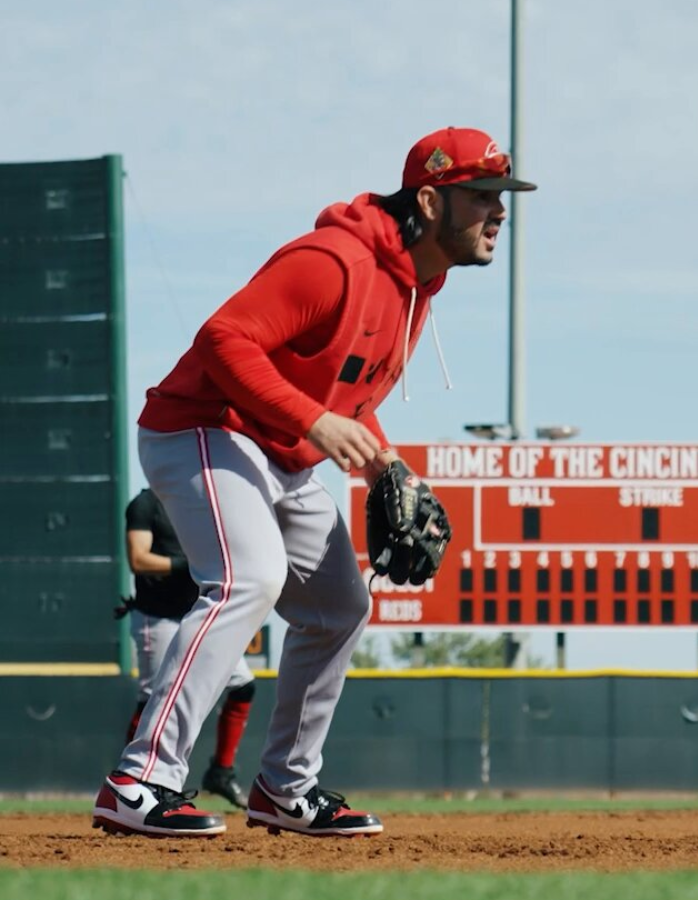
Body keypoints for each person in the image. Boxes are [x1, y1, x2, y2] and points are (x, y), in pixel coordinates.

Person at [91, 127, 536, 838]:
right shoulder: (334, 261)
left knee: (338, 606)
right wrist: (316, 423)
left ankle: (283, 788)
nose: (499, 212)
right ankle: (140, 779)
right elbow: (222, 338)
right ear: (429, 199)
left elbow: (348, 401)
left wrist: (385, 462)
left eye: (500, 198)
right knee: (249, 580)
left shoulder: (415, 289)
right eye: (482, 196)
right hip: (202, 426)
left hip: (280, 450)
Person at [116, 488, 256, 808]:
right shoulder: (146, 503)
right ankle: (131, 785)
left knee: (242, 686)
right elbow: (138, 559)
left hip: (198, 615)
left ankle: (221, 772)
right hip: (157, 616)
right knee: (152, 698)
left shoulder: (199, 504)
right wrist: (186, 566)